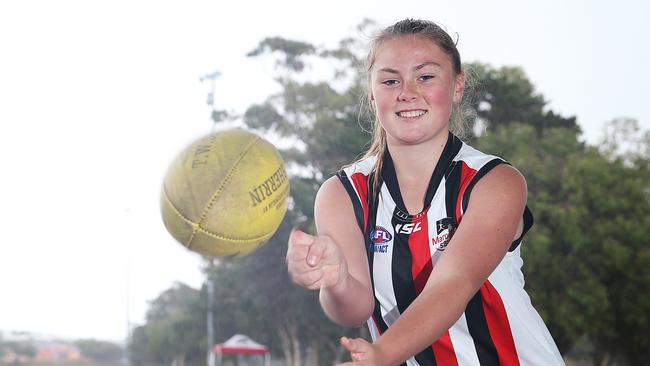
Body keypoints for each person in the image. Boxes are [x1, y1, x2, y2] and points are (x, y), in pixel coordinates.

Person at [286, 18, 564, 366]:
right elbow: (356, 308)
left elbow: (453, 285)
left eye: (426, 76)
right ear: (373, 96)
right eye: (390, 80)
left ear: (457, 85)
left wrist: (382, 354)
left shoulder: (494, 182)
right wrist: (335, 278)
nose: (407, 91)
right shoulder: (342, 194)